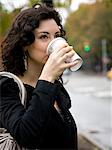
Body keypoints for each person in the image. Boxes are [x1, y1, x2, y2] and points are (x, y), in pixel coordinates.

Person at [0, 3, 78, 149]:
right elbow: (26, 136)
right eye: (44, 36)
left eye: (57, 36)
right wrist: (47, 77)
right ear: (25, 43)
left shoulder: (54, 86)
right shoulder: (6, 87)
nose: (55, 43)